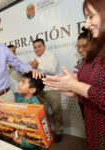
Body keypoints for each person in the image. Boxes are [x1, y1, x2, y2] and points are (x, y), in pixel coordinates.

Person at [43, 0, 105, 149]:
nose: (86, 24)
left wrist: (75, 85)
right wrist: (72, 89)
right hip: (93, 128)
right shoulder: (97, 51)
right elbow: (93, 87)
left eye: (90, 16)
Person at [29, 39, 63, 142]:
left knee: (57, 112)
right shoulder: (33, 59)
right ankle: (47, 132)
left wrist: (38, 66)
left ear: (44, 46)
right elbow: (33, 75)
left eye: (39, 46)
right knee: (44, 114)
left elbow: (52, 70)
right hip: (40, 91)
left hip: (52, 88)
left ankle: (59, 132)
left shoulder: (51, 55)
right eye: (35, 47)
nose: (37, 49)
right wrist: (32, 69)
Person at [13, 72, 45, 150]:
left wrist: (23, 143)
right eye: (21, 81)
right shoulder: (20, 97)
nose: (19, 84)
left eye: (23, 82)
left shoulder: (35, 109)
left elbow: (38, 136)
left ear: (32, 90)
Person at [74, 27, 91, 118]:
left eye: (84, 46)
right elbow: (75, 81)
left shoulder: (101, 62)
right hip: (82, 101)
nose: (80, 50)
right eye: (78, 46)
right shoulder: (79, 63)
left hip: (96, 103)